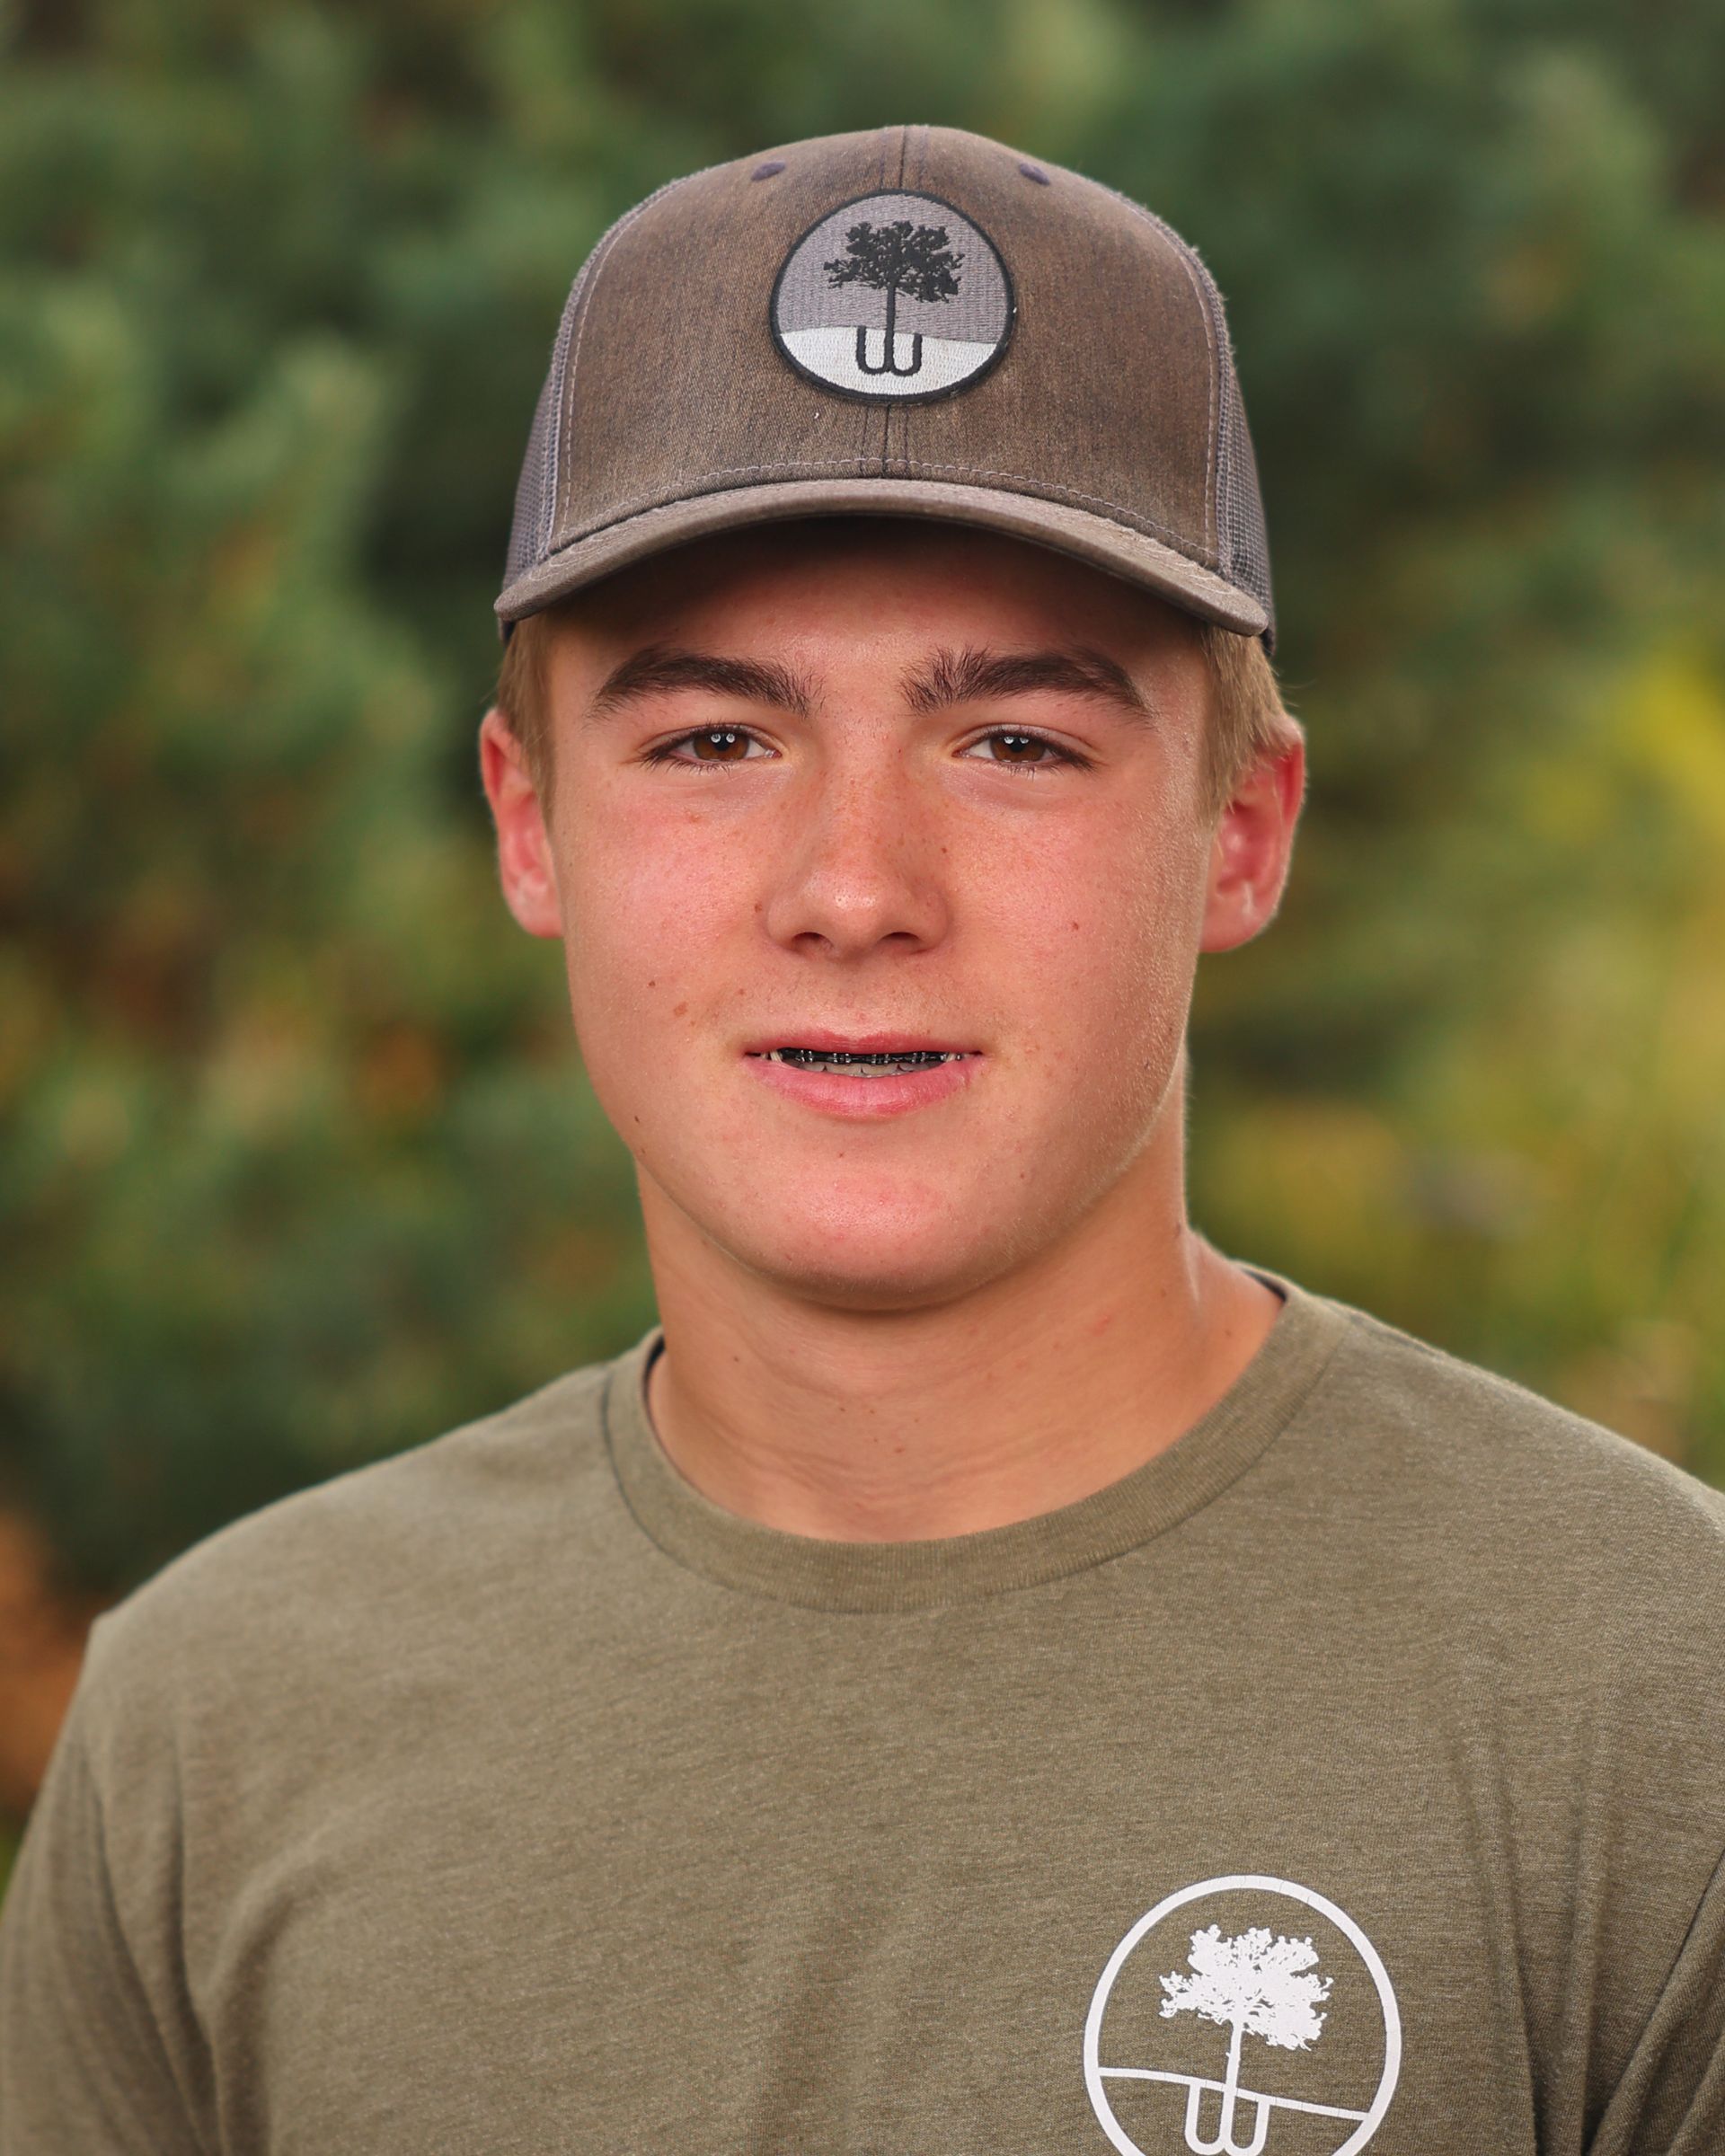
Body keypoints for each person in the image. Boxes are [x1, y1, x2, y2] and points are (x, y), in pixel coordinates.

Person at [1, 123, 1721, 2156]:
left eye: (1017, 743)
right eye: (715, 739)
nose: (853, 888)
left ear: (1241, 833)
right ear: (530, 825)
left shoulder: (1657, 1703)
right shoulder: (218, 1732)